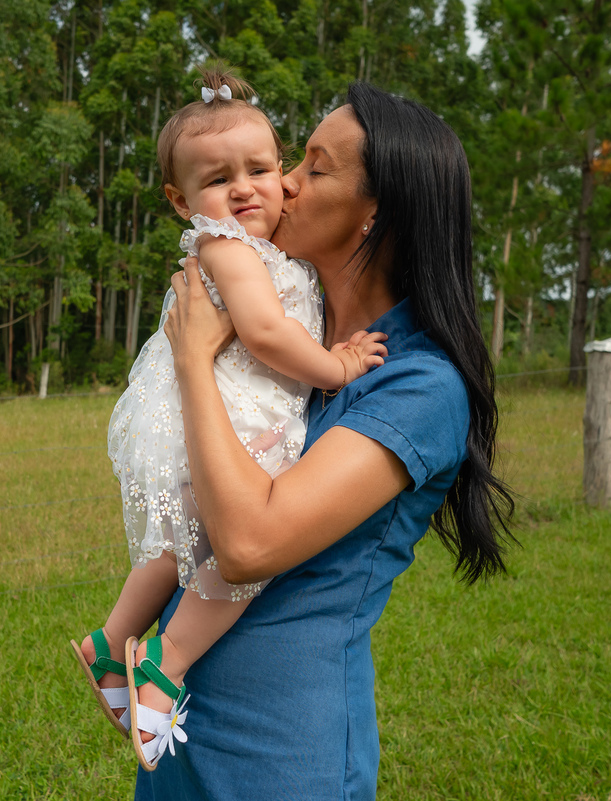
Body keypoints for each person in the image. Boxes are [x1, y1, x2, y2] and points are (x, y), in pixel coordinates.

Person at [135, 82, 517, 800]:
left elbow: (249, 542)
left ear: (375, 213)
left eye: (313, 167)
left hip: (281, 749)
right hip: (182, 722)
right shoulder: (293, 340)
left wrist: (193, 360)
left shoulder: (419, 386)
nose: (280, 182)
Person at [70, 68, 388, 771]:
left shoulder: (265, 250)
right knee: (234, 554)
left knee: (176, 542)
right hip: (235, 419)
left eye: (262, 169)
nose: (246, 188)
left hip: (210, 412)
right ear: (182, 202)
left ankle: (111, 640)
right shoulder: (229, 249)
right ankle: (168, 654)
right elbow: (268, 335)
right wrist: (337, 364)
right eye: (218, 179)